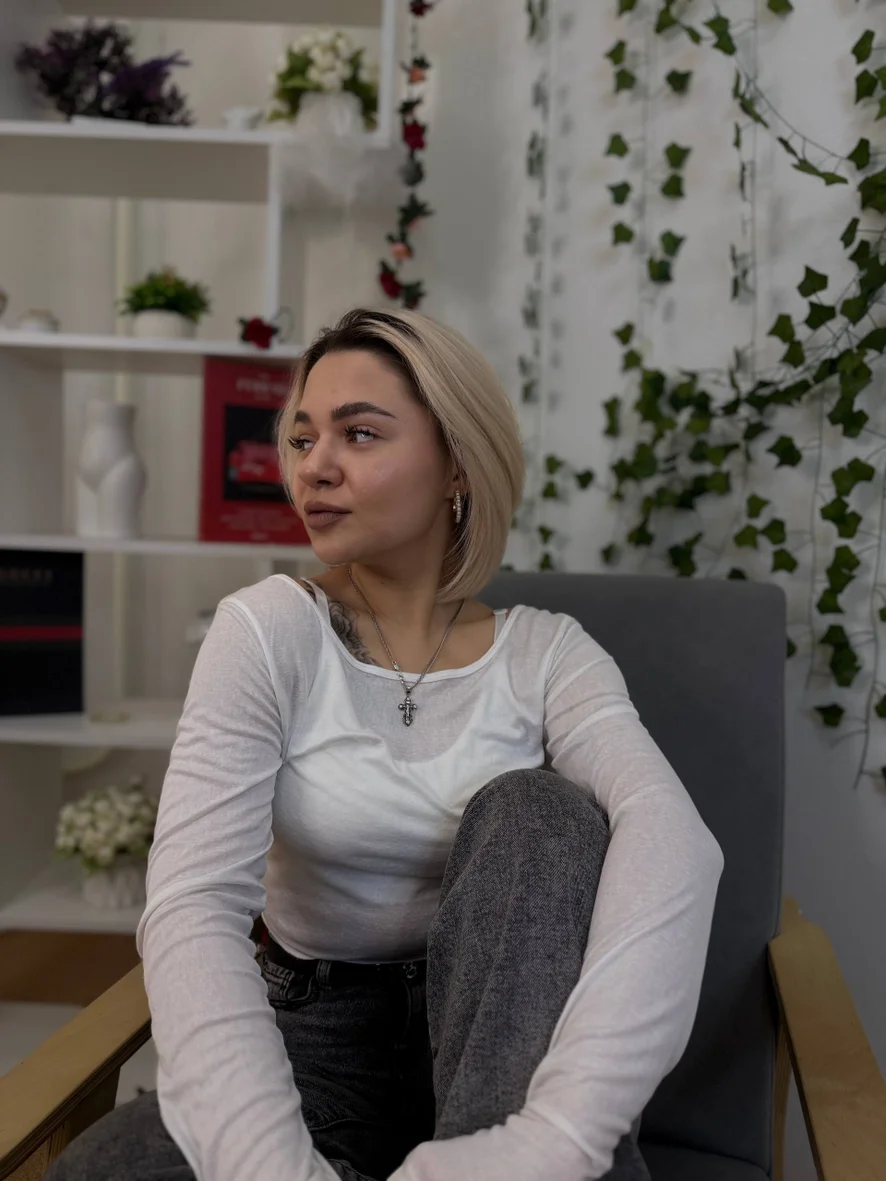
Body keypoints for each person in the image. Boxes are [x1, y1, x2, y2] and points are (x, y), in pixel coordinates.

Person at [48, 308, 724, 1181]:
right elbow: (192, 906)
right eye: (302, 438)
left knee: (542, 811)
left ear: (457, 463)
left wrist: (556, 1136)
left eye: (359, 433)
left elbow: (672, 838)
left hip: (506, 1049)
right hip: (316, 1044)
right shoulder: (268, 629)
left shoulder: (549, 654)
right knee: (110, 1170)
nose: (313, 466)